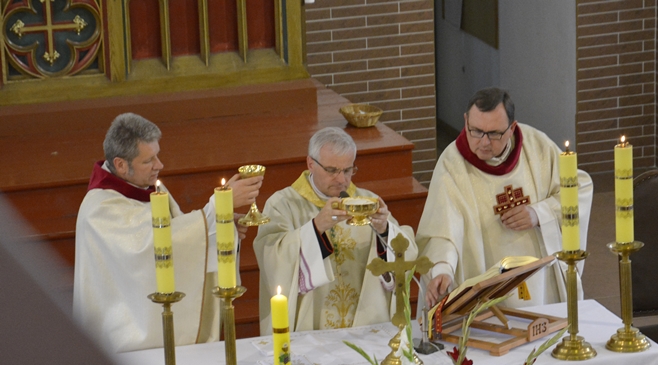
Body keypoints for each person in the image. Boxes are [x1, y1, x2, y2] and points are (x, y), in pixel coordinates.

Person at [73, 113, 262, 352]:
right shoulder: (100, 209)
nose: (159, 165)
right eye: (149, 160)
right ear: (121, 164)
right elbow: (149, 250)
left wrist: (220, 226)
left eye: (157, 156)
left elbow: (179, 235)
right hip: (124, 348)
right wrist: (218, 206)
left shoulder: (144, 188)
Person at [416, 87, 593, 309]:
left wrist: (538, 213)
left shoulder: (537, 146)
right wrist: (443, 269)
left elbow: (579, 187)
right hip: (485, 278)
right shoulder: (452, 165)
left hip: (538, 277)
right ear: (465, 121)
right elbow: (442, 230)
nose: (484, 142)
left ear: (512, 128)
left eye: (494, 134)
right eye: (476, 131)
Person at [253, 127, 417, 333]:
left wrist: (384, 230)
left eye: (348, 170)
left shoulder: (365, 202)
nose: (341, 180)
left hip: (363, 325)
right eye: (332, 170)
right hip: (311, 328)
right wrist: (316, 227)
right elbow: (271, 258)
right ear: (310, 164)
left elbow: (406, 255)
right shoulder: (283, 204)